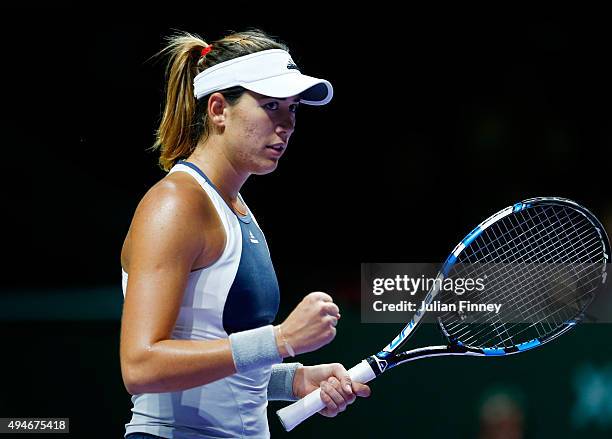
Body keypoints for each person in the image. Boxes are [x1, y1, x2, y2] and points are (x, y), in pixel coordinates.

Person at [119, 29, 370, 438]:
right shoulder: (175, 204)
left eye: (293, 109)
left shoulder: (237, 209)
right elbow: (141, 366)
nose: (287, 124)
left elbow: (217, 361)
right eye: (270, 105)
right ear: (218, 109)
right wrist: (281, 339)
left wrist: (293, 380)